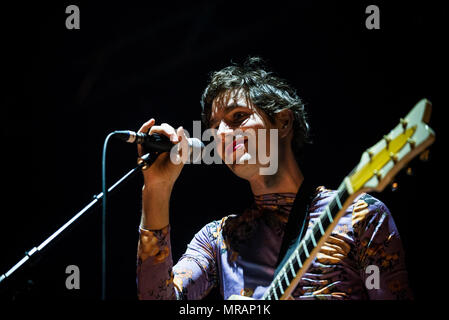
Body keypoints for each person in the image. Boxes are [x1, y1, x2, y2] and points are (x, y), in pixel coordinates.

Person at [135, 57, 413, 300]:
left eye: (238, 117)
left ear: (283, 122)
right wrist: (156, 188)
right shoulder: (218, 239)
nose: (221, 133)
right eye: (214, 126)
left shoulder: (360, 215)